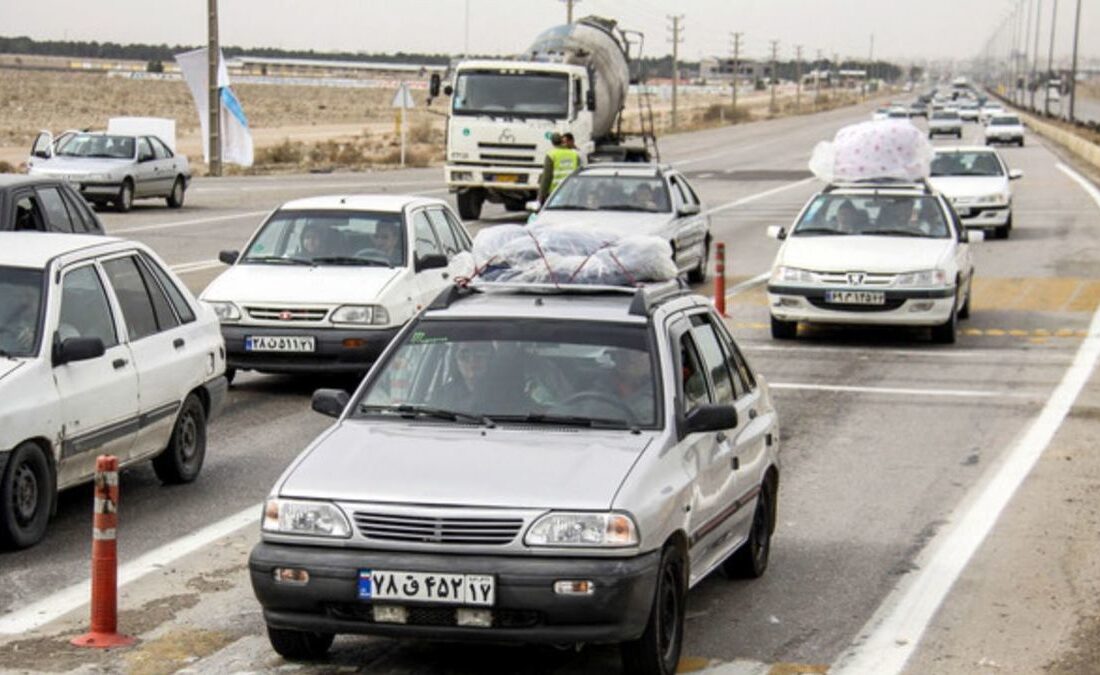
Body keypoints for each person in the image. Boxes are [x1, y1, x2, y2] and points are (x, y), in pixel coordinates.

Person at [538, 132, 581, 204]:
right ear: (561, 141)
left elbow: (546, 177)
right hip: (572, 191)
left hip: (555, 192)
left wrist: (541, 195)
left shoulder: (551, 155)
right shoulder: (574, 154)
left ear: (552, 143)